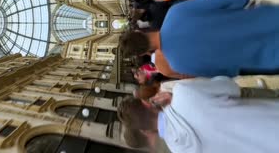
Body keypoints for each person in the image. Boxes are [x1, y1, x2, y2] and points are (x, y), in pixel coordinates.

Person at [120, 0, 279, 77]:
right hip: (270, 20)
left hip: (270, 58)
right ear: (140, 31)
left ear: (142, 53)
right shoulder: (176, 13)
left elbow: (227, 73)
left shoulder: (178, 65)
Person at [118, 77, 279, 153]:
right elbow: (230, 87)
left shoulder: (178, 150)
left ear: (145, 131)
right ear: (146, 102)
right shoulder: (181, 93)